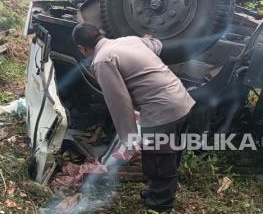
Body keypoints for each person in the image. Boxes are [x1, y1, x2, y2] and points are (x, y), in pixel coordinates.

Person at [72, 23, 196, 213]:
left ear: (82, 48)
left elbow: (119, 103)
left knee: (158, 161)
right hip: (181, 100)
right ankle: (158, 192)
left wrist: (129, 140)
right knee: (170, 153)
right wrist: (148, 39)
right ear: (100, 34)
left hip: (161, 111)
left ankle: (161, 205)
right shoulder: (129, 41)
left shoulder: (103, 61)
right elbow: (156, 45)